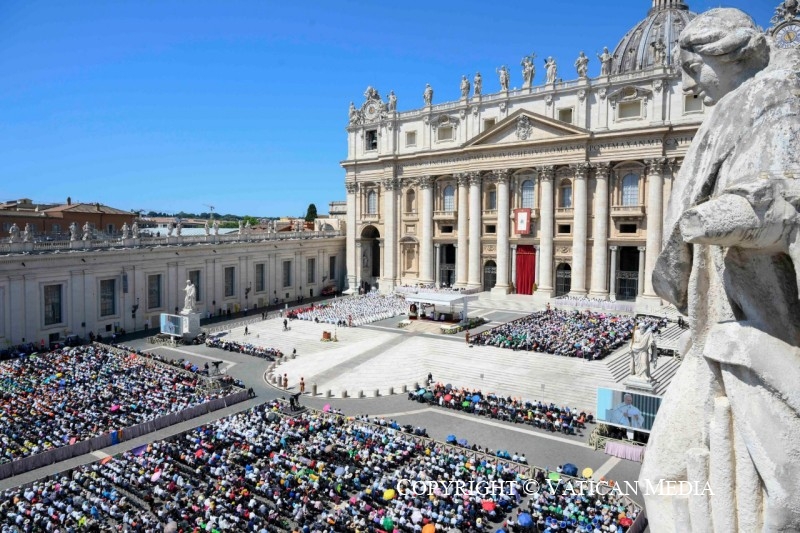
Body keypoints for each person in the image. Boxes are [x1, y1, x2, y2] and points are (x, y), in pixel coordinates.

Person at [641, 9, 800, 529]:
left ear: (737, 54)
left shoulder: (776, 105)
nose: (693, 85)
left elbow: (784, 193)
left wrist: (734, 214)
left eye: (697, 72)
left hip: (752, 325)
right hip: (716, 321)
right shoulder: (739, 109)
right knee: (665, 476)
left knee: (763, 491)